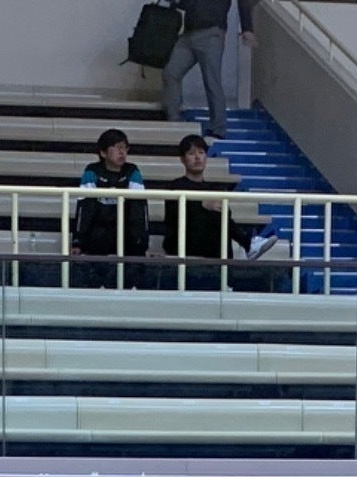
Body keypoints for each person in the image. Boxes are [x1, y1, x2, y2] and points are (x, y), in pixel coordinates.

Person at [156, 134, 239, 288]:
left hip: (211, 248)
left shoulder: (213, 189)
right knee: (207, 214)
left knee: (220, 216)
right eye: (191, 153)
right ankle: (247, 242)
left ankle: (229, 270)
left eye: (201, 152)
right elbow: (175, 217)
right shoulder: (175, 186)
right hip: (184, 242)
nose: (197, 157)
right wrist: (202, 205)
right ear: (183, 159)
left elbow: (227, 217)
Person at [73, 129, 145, 289]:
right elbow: (84, 208)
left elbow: (139, 211)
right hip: (98, 235)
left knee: (134, 243)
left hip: (126, 233)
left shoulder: (132, 171)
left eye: (124, 148)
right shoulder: (92, 171)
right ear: (103, 152)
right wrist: (77, 241)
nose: (122, 152)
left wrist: (142, 242)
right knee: (97, 237)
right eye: (117, 147)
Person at [162, 0, 238, 127]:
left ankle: (218, 127)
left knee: (211, 82)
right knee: (171, 73)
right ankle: (174, 119)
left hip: (210, 32)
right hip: (190, 33)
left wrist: (247, 28)